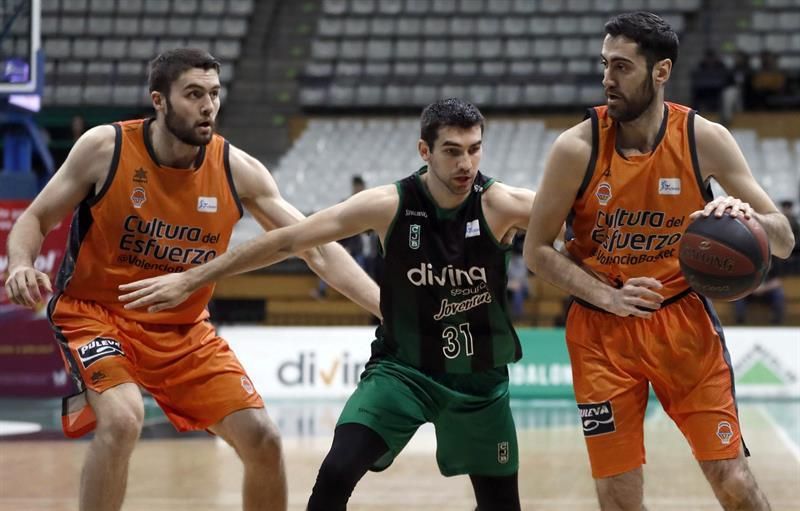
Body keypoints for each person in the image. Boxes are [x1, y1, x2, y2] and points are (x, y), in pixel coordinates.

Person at [3, 48, 380, 511]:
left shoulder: (236, 169)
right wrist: (20, 264)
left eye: (215, 94)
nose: (208, 106)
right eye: (194, 94)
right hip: (96, 316)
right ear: (158, 101)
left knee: (263, 440)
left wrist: (390, 309)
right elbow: (36, 218)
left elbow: (317, 249)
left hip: (182, 330)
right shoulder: (107, 148)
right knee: (123, 420)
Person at [117, 98, 536, 511]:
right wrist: (193, 277)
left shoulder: (502, 204)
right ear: (424, 151)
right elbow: (288, 239)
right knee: (336, 472)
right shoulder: (390, 204)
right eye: (452, 151)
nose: (466, 163)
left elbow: (578, 220)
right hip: (404, 371)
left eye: (474, 149)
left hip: (478, 381)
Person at [524, 12, 794, 511]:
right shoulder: (575, 147)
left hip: (684, 325)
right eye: (605, 65)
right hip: (600, 332)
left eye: (622, 67)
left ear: (661, 71)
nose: (608, 79)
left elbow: (782, 240)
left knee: (733, 482)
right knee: (620, 499)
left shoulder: (702, 138)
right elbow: (536, 251)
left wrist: (746, 214)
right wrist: (609, 296)